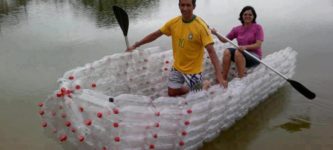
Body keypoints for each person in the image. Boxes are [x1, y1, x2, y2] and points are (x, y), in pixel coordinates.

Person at [127, 0, 224, 97]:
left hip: (194, 70)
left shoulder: (201, 26)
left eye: (188, 5)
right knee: (172, 93)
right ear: (179, 6)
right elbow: (156, 34)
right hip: (177, 67)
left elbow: (212, 52)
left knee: (197, 97)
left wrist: (220, 78)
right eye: (182, 5)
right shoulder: (174, 23)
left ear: (194, 7)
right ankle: (194, 87)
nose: (185, 8)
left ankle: (203, 85)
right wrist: (136, 45)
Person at [211, 6, 264, 87]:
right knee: (227, 51)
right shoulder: (237, 29)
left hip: (254, 56)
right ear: (242, 16)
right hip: (241, 53)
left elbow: (258, 44)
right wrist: (216, 33)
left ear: (253, 16)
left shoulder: (258, 27)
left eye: (250, 14)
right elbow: (224, 40)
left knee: (238, 52)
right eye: (245, 14)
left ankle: (241, 78)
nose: (247, 16)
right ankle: (223, 78)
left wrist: (245, 47)